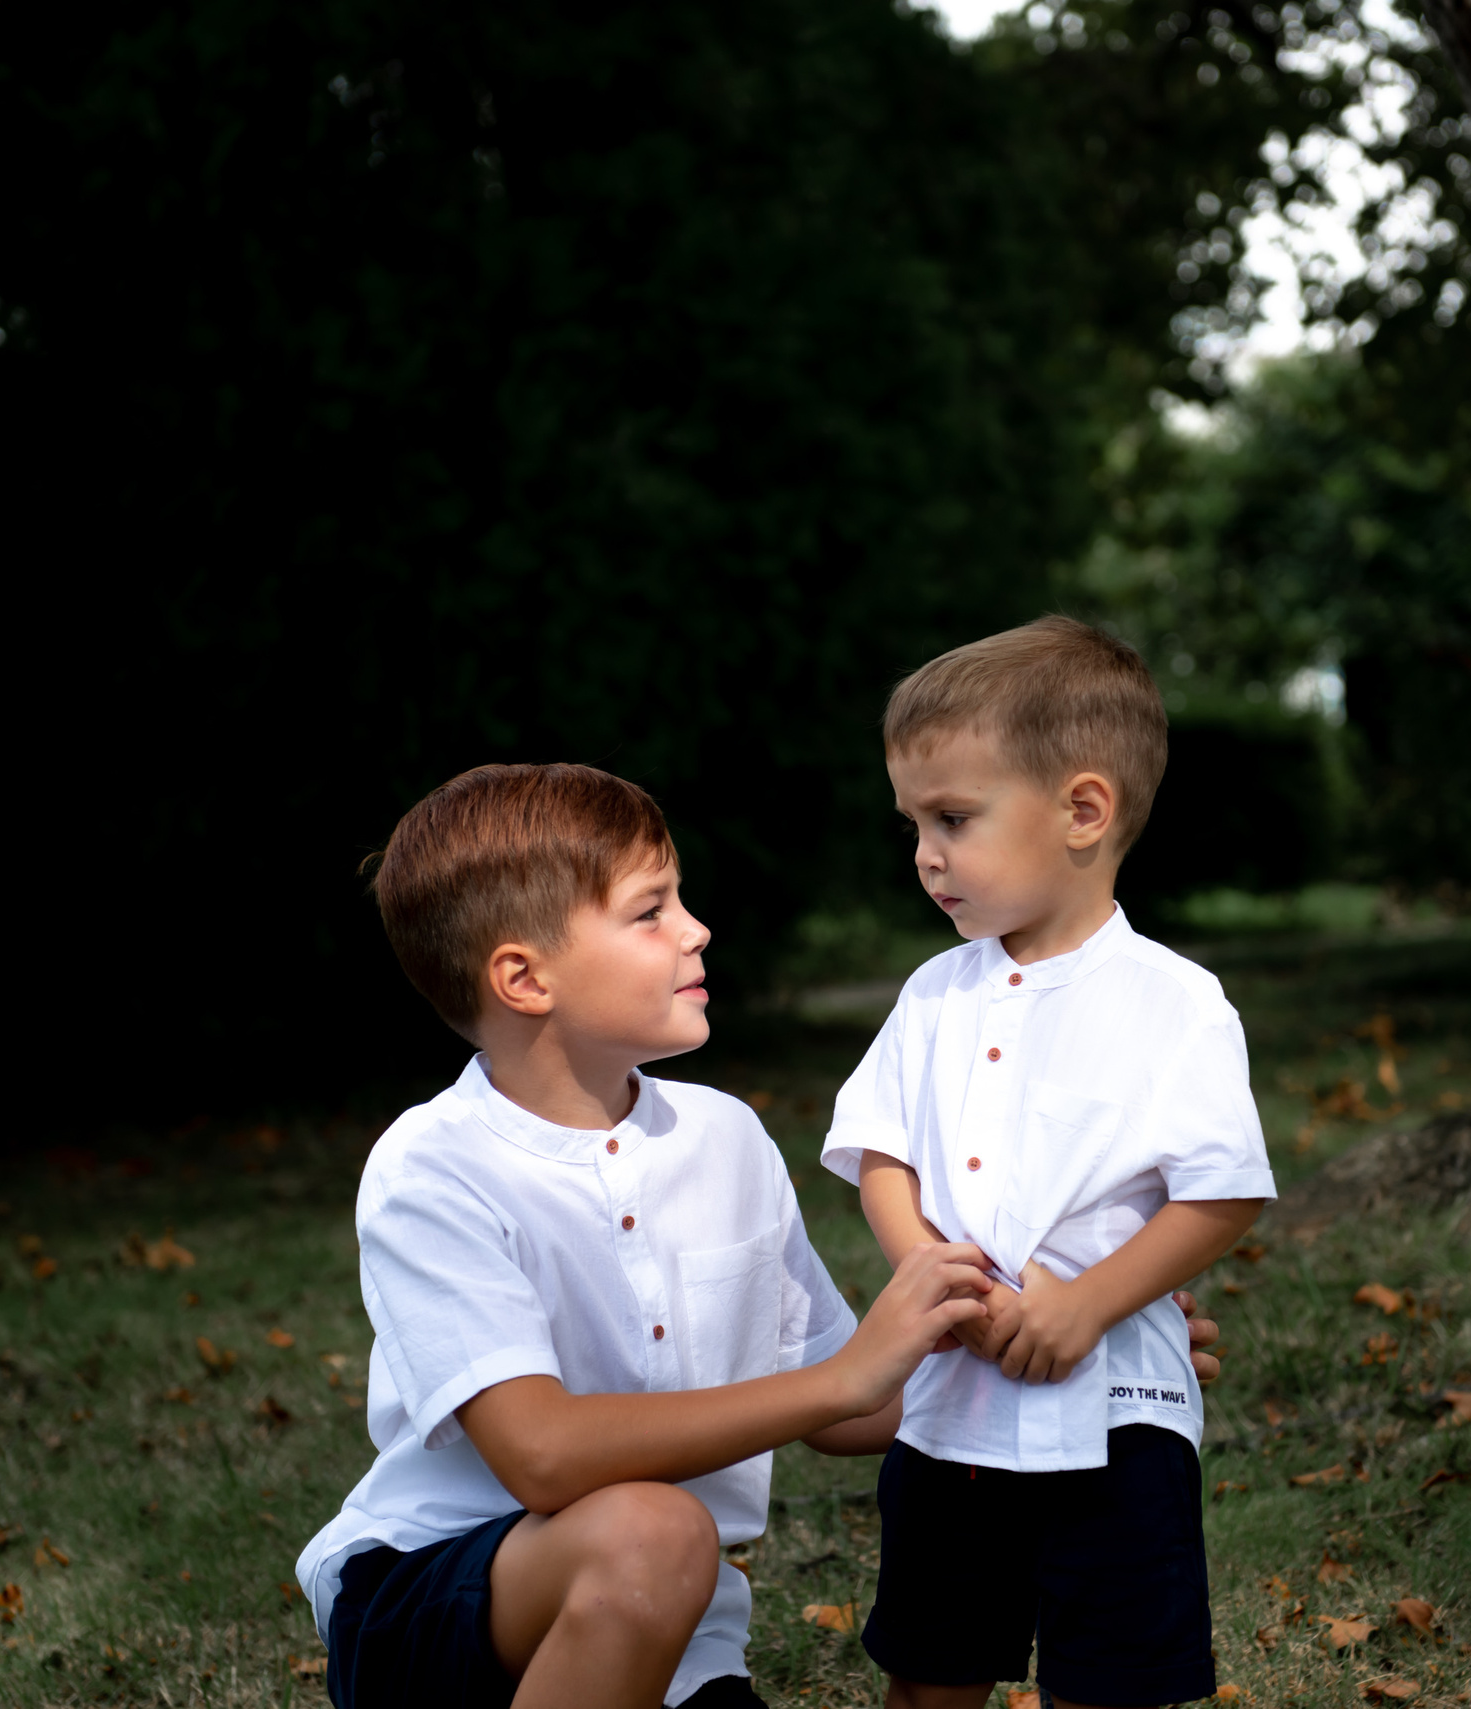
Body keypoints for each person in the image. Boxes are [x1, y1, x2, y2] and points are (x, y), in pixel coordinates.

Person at [294, 761, 1221, 1709]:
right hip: (433, 1606)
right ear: (525, 978)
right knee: (655, 1532)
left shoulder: (726, 1137)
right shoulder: (435, 1166)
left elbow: (854, 1409)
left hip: (679, 1635)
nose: (696, 929)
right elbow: (543, 1456)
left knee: (660, 1544)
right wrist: (840, 1378)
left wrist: (1072, 1346)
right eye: (650, 911)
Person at [821, 617, 1275, 1709]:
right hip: (950, 1409)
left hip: (1118, 1405)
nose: (926, 852)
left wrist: (1087, 1305)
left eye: (953, 817)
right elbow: (881, 1150)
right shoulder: (933, 993)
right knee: (932, 1662)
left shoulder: (1172, 1001)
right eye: (914, 823)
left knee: (1112, 1673)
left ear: (1083, 809)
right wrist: (936, 1278)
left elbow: (1220, 1191)